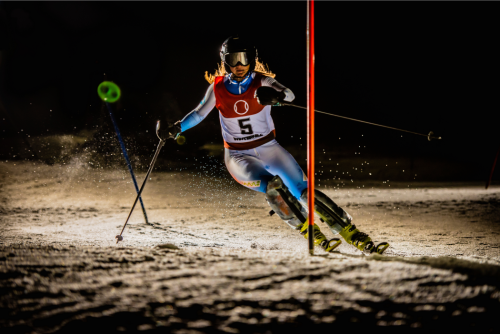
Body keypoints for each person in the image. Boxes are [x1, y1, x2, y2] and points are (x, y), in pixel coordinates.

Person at [160, 36, 388, 254]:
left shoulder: (262, 81)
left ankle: (352, 233)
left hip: (269, 148)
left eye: (244, 58)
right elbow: (199, 114)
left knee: (304, 191)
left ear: (252, 58)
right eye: (233, 59)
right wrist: (175, 128)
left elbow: (289, 95)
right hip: (239, 156)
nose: (239, 64)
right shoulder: (217, 87)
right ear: (224, 61)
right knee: (273, 187)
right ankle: (310, 231)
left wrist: (275, 97)